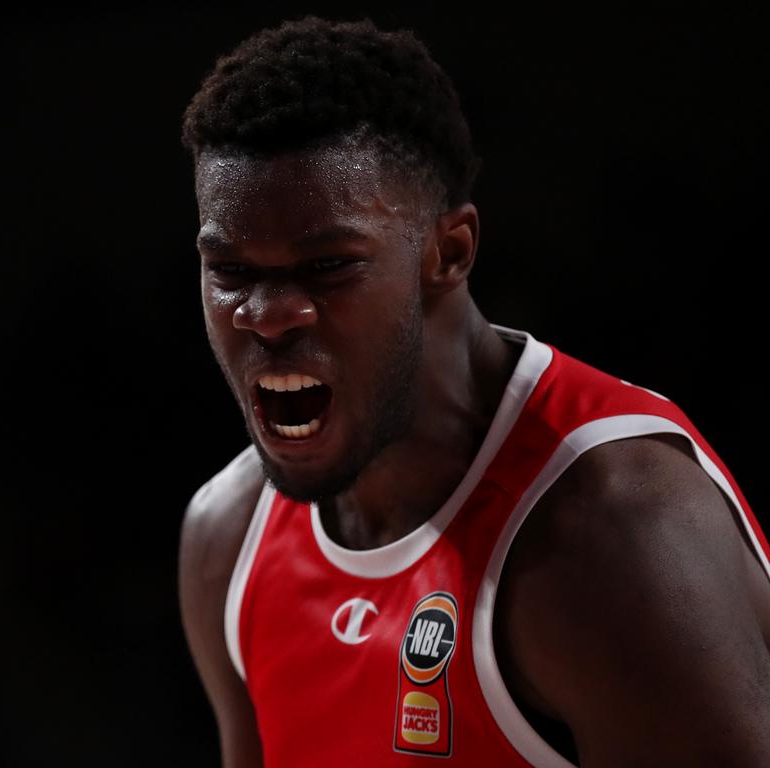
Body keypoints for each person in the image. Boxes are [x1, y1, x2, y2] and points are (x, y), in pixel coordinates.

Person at [176, 14, 770, 768]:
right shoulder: (226, 541)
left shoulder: (615, 538)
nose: (266, 315)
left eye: (327, 266)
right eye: (229, 270)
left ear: (448, 253)